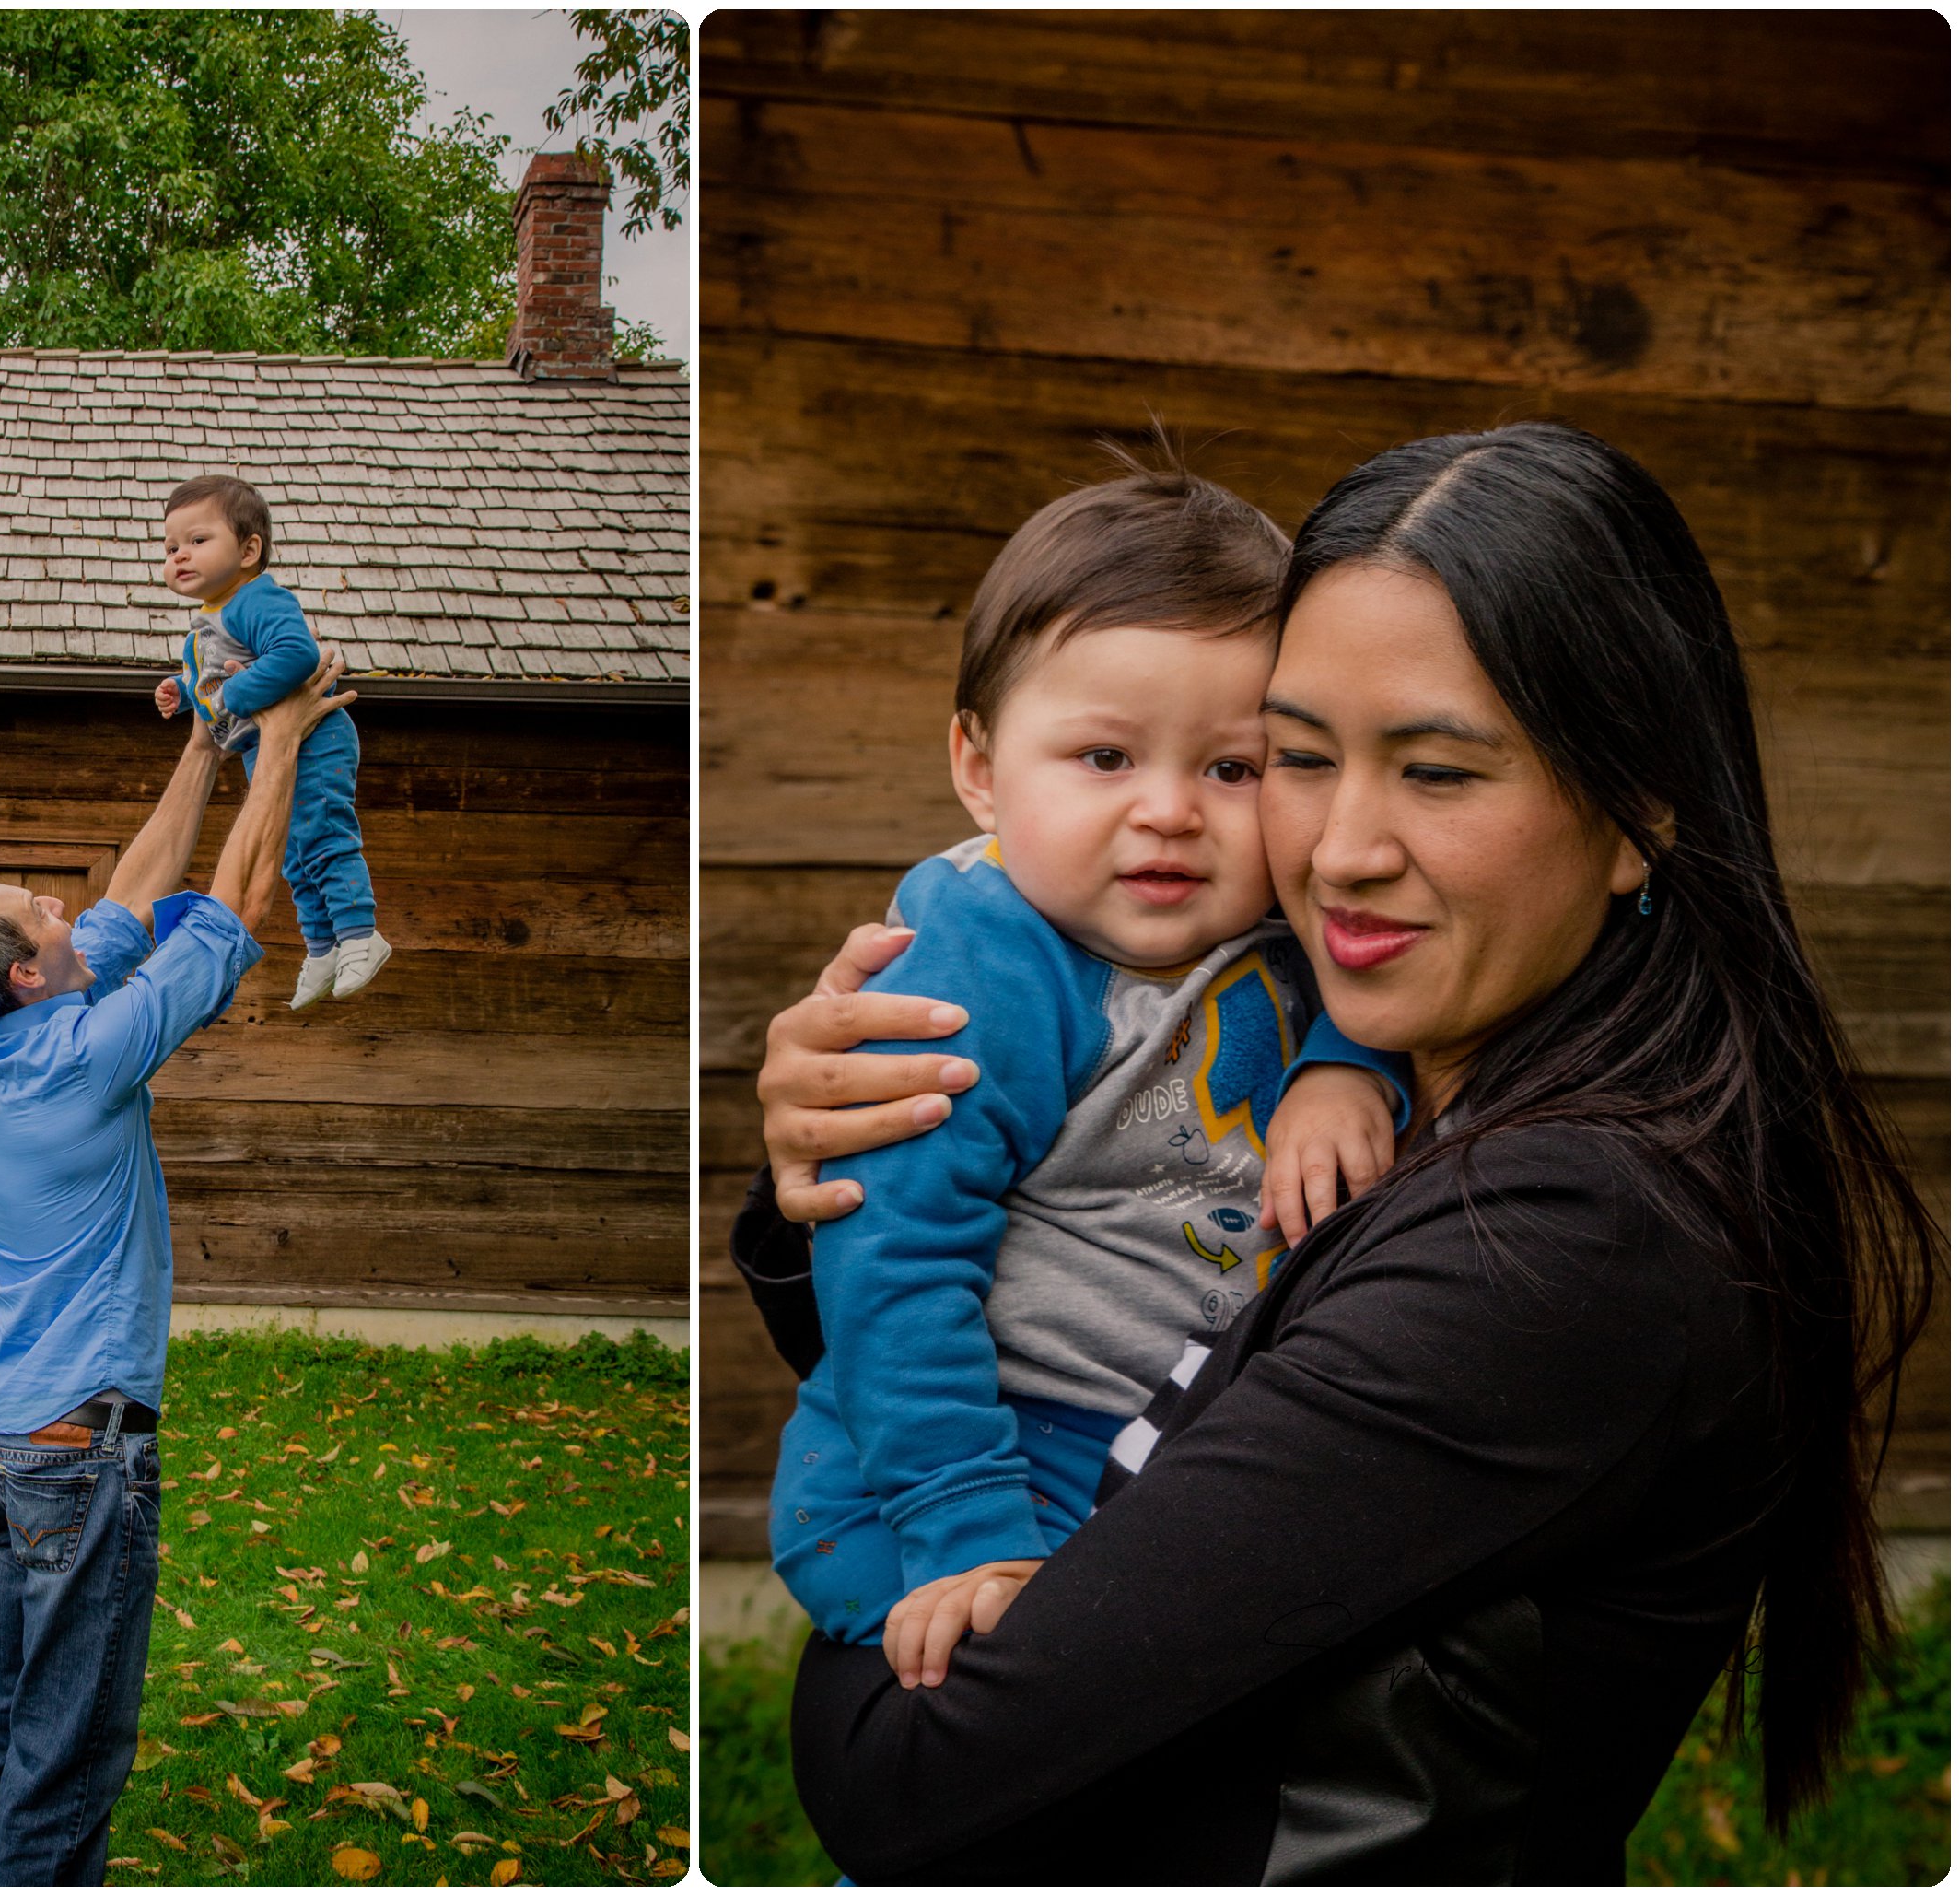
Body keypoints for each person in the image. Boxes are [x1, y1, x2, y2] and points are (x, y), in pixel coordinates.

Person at [735, 423, 1934, 1881]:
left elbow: (919, 1779)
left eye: (1434, 771)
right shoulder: (1422, 1065)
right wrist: (841, 1152)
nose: (1336, 847)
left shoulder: (1561, 1245)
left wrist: (839, 1686)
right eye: (1299, 757)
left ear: (1636, 810)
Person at [771, 463, 1409, 1658]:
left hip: (1163, 1434)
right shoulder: (981, 961)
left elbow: (1366, 994)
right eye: (1105, 758)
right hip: (974, 1449)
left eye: (1231, 767)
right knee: (1030, 1749)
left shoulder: (1279, 932)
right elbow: (894, 1257)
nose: (1169, 809)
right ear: (977, 766)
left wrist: (1343, 1065)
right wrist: (968, 1531)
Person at [0, 654, 352, 1886]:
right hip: (79, 1452)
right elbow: (227, 907)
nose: (71, 908)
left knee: (2, 1719)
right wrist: (280, 742)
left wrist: (205, 743)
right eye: (44, 915)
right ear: (26, 971)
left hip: (6, 1441)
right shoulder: (86, 1053)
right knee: (68, 1747)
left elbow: (133, 891)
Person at [150, 473, 390, 1009]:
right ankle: (323, 945)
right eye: (170, 547)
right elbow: (213, 677)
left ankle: (359, 934)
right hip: (266, 746)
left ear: (249, 549)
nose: (179, 556)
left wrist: (236, 694)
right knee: (290, 851)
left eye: (197, 540)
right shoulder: (209, 620)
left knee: (323, 834)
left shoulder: (258, 599)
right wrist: (183, 691)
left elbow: (297, 654)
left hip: (315, 738)